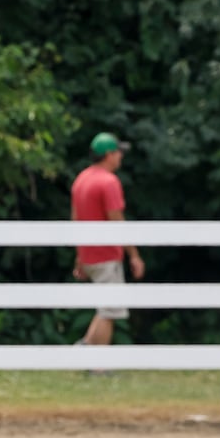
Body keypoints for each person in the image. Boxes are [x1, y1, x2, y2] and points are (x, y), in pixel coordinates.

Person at [70, 132, 145, 346]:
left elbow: (75, 220)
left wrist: (79, 256)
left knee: (105, 308)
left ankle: (83, 349)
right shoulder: (109, 182)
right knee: (109, 310)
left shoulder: (81, 179)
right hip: (106, 255)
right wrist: (134, 255)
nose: (121, 156)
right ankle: (98, 364)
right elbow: (117, 221)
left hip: (88, 255)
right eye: (118, 152)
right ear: (109, 155)